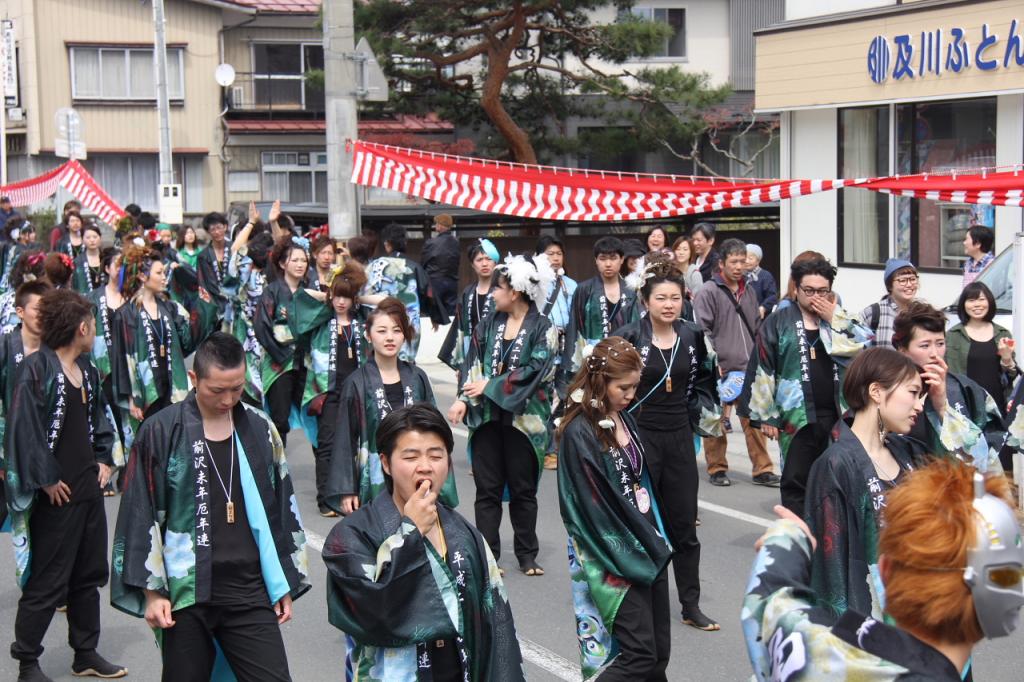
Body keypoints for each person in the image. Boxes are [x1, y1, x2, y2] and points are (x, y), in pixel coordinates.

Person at [110, 332, 310, 682]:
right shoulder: (161, 430)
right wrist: (152, 591)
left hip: (248, 589)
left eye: (236, 388)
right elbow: (140, 512)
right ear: (194, 379)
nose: (228, 399)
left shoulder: (260, 428)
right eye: (217, 390)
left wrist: (282, 582)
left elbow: (282, 508)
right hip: (187, 590)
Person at [743, 460, 1024, 681]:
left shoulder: (814, 654)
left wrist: (790, 537)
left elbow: (772, 600)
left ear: (885, 571)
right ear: (1005, 595)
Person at [322, 403, 524, 681]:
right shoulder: (352, 535)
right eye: (411, 456)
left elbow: (496, 622)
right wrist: (411, 531)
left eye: (436, 455)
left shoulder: (465, 534)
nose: (425, 467)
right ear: (385, 463)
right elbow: (374, 613)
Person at [5, 288, 125, 682]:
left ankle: (85, 653)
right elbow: (24, 431)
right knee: (48, 579)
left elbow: (101, 421)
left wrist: (104, 459)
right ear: (82, 327)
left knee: (88, 575)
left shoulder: (88, 371)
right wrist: (46, 478)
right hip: (56, 496)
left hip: (88, 491)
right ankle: (27, 661)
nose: (94, 333)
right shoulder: (37, 368)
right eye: (92, 325)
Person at [614, 255, 723, 632]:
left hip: (679, 438)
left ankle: (690, 604)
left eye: (675, 298)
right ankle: (640, 596)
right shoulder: (629, 336)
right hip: (638, 439)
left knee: (683, 527)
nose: (668, 305)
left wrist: (703, 409)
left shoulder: (693, 335)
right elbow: (607, 385)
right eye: (661, 298)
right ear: (646, 300)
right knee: (642, 521)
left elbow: (707, 379)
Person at [557, 337, 673, 679]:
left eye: (636, 386)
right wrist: (632, 548)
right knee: (639, 653)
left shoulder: (624, 419)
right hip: (611, 553)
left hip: (645, 543)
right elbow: (590, 510)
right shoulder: (580, 432)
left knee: (658, 652)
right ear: (600, 382)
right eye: (623, 387)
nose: (631, 395)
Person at [448, 254, 558, 577]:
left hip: (524, 422)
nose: (493, 293)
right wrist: (463, 399)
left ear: (516, 291)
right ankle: (488, 554)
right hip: (487, 421)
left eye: (499, 288)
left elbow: (535, 370)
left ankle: (527, 554)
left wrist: (490, 386)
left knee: (524, 490)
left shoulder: (544, 328)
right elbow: (472, 365)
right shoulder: (488, 324)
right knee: (487, 490)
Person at [804, 347, 930, 620]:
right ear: (876, 392)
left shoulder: (910, 453)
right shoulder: (835, 465)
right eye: (912, 393)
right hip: (869, 626)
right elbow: (832, 570)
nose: (919, 405)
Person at [742, 257, 872, 513]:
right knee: (796, 481)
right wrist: (767, 415)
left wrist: (834, 316)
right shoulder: (779, 321)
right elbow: (763, 366)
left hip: (839, 415)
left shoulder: (839, 318)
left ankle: (832, 539)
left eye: (822, 291)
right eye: (809, 291)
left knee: (837, 480)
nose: (815, 297)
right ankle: (799, 540)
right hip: (795, 417)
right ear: (796, 290)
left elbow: (865, 346)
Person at [326, 297, 455, 514]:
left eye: (396, 330)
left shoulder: (417, 377)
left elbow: (435, 430)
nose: (389, 338)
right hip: (374, 475)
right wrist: (347, 488)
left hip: (416, 471)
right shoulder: (357, 382)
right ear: (368, 335)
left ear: (404, 335)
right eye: (382, 331)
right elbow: (345, 437)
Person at [694, 238, 779, 487]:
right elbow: (702, 329)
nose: (739, 266)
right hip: (720, 366)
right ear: (722, 263)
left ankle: (762, 469)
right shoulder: (709, 291)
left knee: (753, 420)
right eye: (734, 261)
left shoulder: (750, 291)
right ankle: (717, 468)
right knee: (717, 419)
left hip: (748, 366)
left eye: (743, 261)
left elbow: (755, 327)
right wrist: (712, 360)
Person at [289, 263, 371, 517]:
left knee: (358, 445)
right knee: (327, 446)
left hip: (358, 391)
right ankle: (325, 499)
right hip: (328, 392)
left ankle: (354, 496)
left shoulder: (362, 321)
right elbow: (299, 299)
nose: (341, 302)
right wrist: (329, 290)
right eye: (337, 296)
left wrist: (357, 293)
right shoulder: (322, 321)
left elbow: (390, 301)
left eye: (346, 297)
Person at [111, 242, 217, 438]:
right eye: (159, 273)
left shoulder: (169, 307)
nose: (163, 277)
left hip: (171, 385)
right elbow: (120, 358)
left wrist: (204, 307)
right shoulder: (125, 315)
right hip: (145, 391)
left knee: (172, 439)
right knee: (148, 442)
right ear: (143, 276)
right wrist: (130, 398)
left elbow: (187, 341)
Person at [892, 301, 1004, 471]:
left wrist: (942, 406)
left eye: (940, 343)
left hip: (960, 487)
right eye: (924, 345)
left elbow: (987, 456)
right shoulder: (887, 390)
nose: (934, 354)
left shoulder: (966, 389)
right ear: (902, 349)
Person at [559, 237, 639, 395]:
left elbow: (638, 328)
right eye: (603, 258)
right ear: (596, 260)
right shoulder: (584, 290)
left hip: (624, 360)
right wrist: (576, 365)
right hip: (593, 359)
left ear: (622, 259)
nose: (608, 264)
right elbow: (575, 328)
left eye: (613, 258)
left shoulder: (631, 291)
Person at [254, 237, 310, 447]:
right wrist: (281, 354)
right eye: (294, 260)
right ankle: (278, 467)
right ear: (282, 263)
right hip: (280, 364)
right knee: (279, 419)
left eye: (303, 260)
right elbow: (261, 326)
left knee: (314, 415)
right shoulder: (272, 291)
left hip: (305, 363)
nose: (300, 264)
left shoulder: (309, 292)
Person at [364, 223, 448, 361]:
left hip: (380, 324)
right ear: (405, 243)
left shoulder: (375, 266)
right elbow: (428, 293)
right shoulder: (413, 267)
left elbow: (364, 294)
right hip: (407, 323)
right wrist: (435, 316)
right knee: (405, 363)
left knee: (379, 362)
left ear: (387, 244)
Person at [535, 235, 578, 470]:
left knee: (563, 401)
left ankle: (555, 450)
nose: (555, 258)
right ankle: (542, 449)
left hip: (566, 349)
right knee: (542, 401)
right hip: (543, 351)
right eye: (549, 253)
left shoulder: (571, 286)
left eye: (558, 253)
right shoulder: (534, 283)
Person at [946, 282, 1018, 421]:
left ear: (989, 302)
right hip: (966, 406)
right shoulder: (953, 335)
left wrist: (1007, 359)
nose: (977, 304)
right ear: (964, 304)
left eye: (981, 299)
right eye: (971, 300)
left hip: (998, 406)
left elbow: (1011, 377)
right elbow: (949, 376)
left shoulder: (1002, 333)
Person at [0, 281, 49, 481]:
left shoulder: (55, 349)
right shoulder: (5, 347)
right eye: (37, 309)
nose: (43, 315)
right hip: (10, 442)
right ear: (20, 312)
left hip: (47, 443)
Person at [225, 226, 274, 407]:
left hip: (247, 336)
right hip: (267, 338)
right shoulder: (272, 277)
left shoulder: (244, 276)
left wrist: (251, 223)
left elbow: (235, 251)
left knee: (247, 390)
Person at [439, 238, 498, 375]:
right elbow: (460, 328)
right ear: (472, 264)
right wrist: (461, 363)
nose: (484, 263)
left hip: (496, 354)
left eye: (489, 259)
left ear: (495, 261)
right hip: (472, 356)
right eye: (479, 260)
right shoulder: (468, 293)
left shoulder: (502, 290)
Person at [858, 258, 920, 348]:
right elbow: (857, 349)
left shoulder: (923, 313)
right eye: (902, 280)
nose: (909, 284)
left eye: (913, 279)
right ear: (889, 285)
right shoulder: (873, 313)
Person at [196, 211, 234, 326]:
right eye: (213, 229)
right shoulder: (203, 255)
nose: (217, 232)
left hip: (235, 302)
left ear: (225, 227)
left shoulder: (234, 249)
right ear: (208, 232)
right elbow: (203, 283)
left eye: (219, 227)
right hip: (215, 305)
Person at [421, 213, 461, 316]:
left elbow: (423, 263)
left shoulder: (431, 243)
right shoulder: (456, 243)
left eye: (436, 224)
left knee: (434, 315)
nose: (435, 226)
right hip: (452, 282)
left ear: (440, 225)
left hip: (434, 282)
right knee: (450, 314)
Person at [744, 244, 777, 319]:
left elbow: (772, 296)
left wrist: (763, 307)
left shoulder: (766, 276)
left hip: (760, 318)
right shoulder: (739, 275)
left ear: (758, 261)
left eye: (750, 258)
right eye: (745, 258)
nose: (747, 261)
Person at [72, 224, 104, 293]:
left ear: (100, 238)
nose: (92, 240)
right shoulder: (78, 261)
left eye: (95, 237)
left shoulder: (106, 258)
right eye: (88, 237)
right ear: (82, 240)